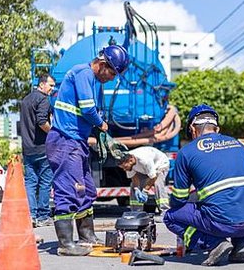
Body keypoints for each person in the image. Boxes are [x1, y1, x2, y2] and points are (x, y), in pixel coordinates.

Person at [45, 44, 129, 256]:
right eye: (111, 73)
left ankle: (87, 236)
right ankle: (65, 244)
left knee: (87, 190)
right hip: (64, 140)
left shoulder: (94, 81)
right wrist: (102, 125)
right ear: (102, 64)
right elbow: (88, 108)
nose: (111, 78)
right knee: (69, 189)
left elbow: (91, 110)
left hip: (77, 142)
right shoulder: (83, 73)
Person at [163, 104, 244, 266]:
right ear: (216, 129)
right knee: (237, 200)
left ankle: (214, 243)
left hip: (222, 223)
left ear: (193, 130)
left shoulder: (187, 152)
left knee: (171, 217)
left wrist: (177, 203)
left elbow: (180, 198)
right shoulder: (238, 145)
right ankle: (240, 244)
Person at [20, 74, 56, 228]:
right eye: (51, 85)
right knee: (45, 182)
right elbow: (42, 121)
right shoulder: (42, 99)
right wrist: (54, 132)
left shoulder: (25, 100)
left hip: (28, 148)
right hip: (42, 148)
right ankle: (42, 216)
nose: (52, 89)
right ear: (42, 85)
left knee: (30, 182)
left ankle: (31, 216)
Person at [116, 146, 171, 212]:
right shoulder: (127, 160)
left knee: (158, 184)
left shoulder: (144, 160)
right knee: (133, 186)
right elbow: (134, 177)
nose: (124, 170)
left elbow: (153, 177)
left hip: (160, 165)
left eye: (125, 167)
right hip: (144, 169)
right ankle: (136, 212)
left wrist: (145, 191)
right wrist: (137, 189)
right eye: (123, 168)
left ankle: (165, 212)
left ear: (131, 160)